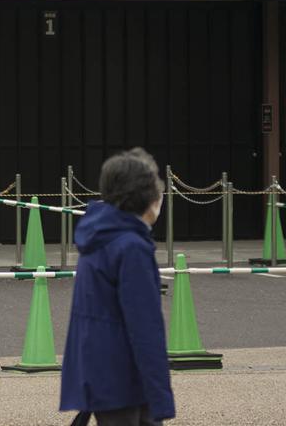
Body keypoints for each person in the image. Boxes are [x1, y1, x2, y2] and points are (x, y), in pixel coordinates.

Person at [60, 148, 175, 426]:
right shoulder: (131, 247)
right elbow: (145, 327)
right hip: (127, 377)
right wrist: (161, 397)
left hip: (99, 371)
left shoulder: (98, 236)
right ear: (146, 195)